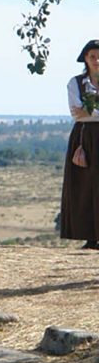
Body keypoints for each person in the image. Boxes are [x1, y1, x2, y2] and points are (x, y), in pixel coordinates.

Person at [60, 39, 99, 249]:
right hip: (84, 138)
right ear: (85, 58)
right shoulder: (75, 83)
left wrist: (90, 111)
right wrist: (89, 114)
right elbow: (77, 113)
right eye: (92, 56)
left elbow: (86, 113)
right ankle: (90, 237)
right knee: (84, 185)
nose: (97, 60)